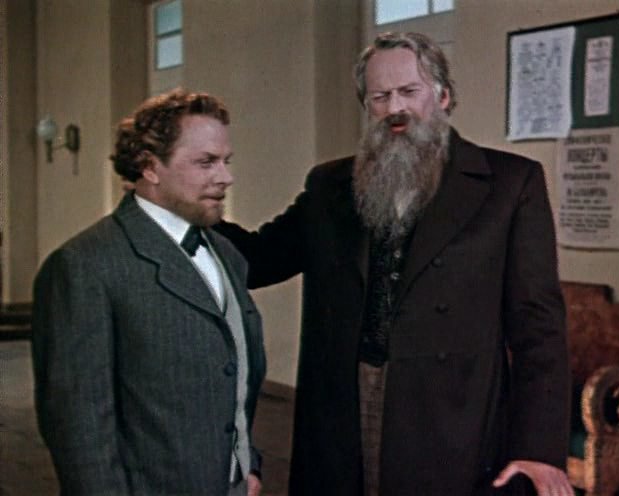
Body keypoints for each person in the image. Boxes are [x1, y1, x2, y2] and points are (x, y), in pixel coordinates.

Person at [216, 32, 572, 495]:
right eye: (380, 97)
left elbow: (538, 327)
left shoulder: (510, 183)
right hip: (341, 410)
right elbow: (258, 259)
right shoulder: (330, 186)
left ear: (443, 96)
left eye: (409, 91)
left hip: (452, 417)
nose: (394, 108)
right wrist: (184, 206)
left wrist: (539, 449)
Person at [31, 89, 265, 496]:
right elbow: (79, 426)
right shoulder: (85, 265)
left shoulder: (226, 253)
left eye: (226, 161)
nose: (225, 177)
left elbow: (234, 375)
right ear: (150, 166)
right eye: (206, 162)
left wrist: (248, 466)